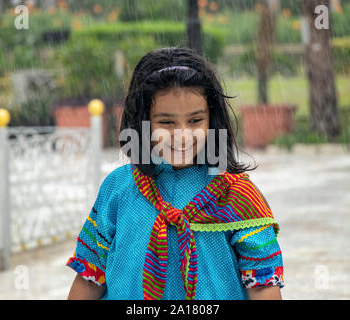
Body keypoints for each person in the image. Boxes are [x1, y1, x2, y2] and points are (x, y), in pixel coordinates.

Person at [66, 47, 284, 300]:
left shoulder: (237, 196)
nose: (182, 135)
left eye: (195, 121)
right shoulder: (119, 188)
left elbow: (262, 284)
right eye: (166, 122)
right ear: (141, 122)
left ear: (212, 121)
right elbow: (90, 277)